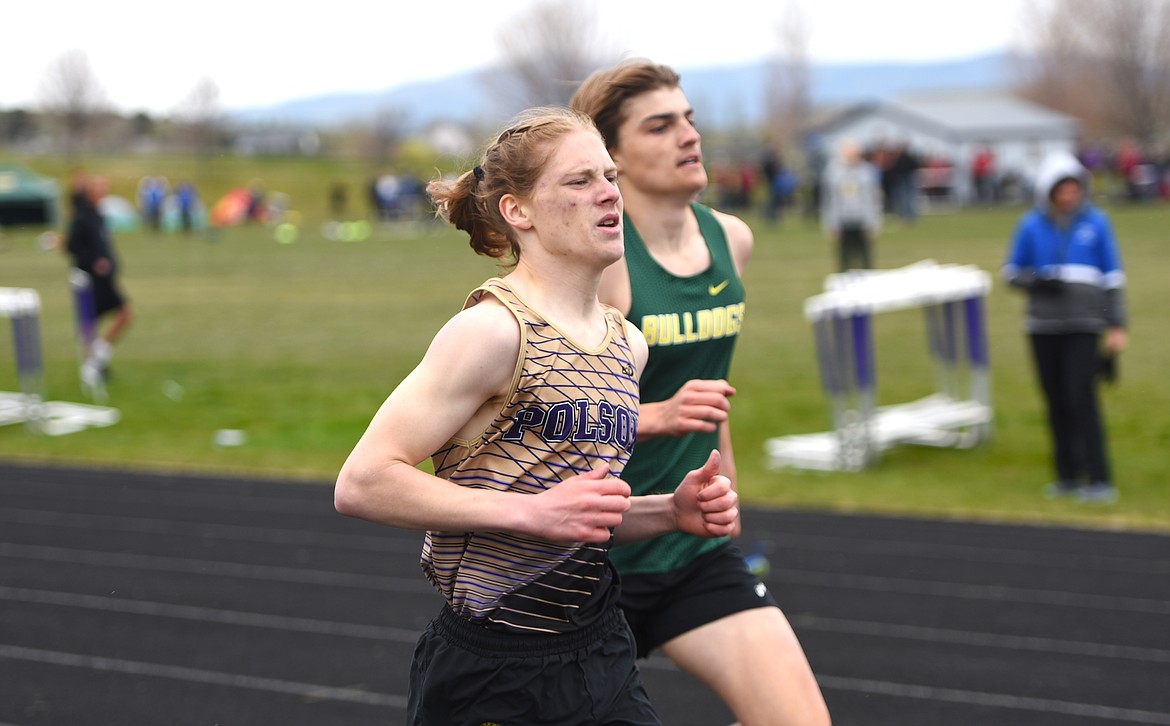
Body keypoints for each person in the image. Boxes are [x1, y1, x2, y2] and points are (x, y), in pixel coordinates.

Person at [334, 107, 740, 726]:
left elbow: (574, 514)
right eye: (579, 181)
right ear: (516, 211)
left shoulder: (627, 344)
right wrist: (530, 513)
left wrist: (668, 512)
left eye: (609, 175)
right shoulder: (491, 332)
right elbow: (363, 481)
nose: (609, 193)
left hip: (599, 649)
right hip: (493, 666)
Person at [571, 61, 831, 726]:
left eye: (689, 120)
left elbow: (710, 395)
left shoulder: (730, 240)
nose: (688, 136)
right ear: (611, 157)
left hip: (692, 549)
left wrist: (728, 488)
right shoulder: (598, 264)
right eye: (660, 126)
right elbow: (544, 419)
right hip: (590, 558)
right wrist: (651, 416)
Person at [1002, 150, 1127, 504]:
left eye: (1074, 189)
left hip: (1084, 324)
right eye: (1062, 189)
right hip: (1043, 326)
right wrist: (1037, 283)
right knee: (1055, 400)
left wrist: (1114, 323)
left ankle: (1099, 478)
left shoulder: (1097, 223)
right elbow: (1010, 272)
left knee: (1081, 397)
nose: (1069, 196)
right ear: (1049, 190)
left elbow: (1111, 278)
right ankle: (1066, 475)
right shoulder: (1029, 224)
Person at [65, 173, 133, 384]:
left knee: (103, 320)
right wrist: (94, 261)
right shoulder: (82, 216)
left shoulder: (98, 215)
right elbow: (71, 245)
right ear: (89, 193)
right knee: (117, 315)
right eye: (98, 188)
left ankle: (96, 362)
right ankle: (93, 365)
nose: (103, 192)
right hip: (90, 278)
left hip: (104, 277)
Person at [821, 137, 882, 272]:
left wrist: (873, 222)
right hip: (843, 221)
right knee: (844, 260)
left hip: (862, 220)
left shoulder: (867, 171)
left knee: (866, 260)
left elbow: (873, 199)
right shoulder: (832, 172)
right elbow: (829, 201)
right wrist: (832, 224)